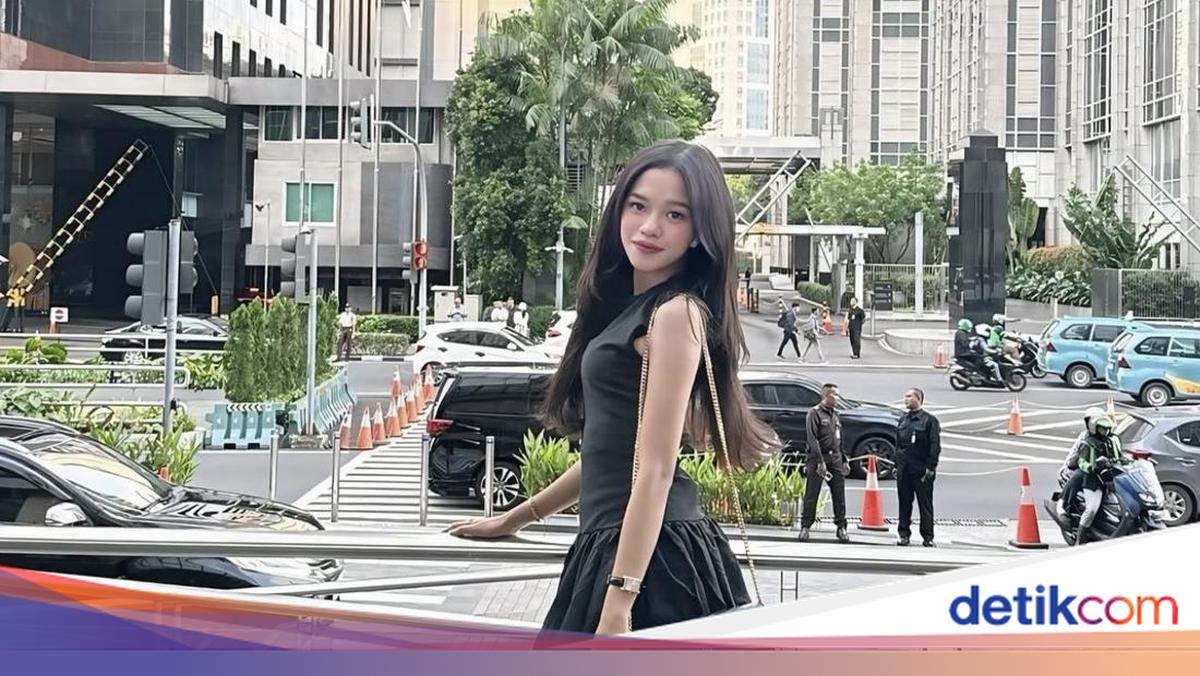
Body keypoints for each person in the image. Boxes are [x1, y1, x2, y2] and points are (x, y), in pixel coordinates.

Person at [445, 140, 777, 635]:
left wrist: (620, 599)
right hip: (619, 549)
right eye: (638, 205)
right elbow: (611, 452)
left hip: (649, 562)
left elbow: (657, 467)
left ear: (700, 233)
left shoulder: (675, 313)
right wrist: (516, 518)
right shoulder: (627, 308)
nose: (649, 226)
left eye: (675, 214)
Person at [798, 383, 850, 543]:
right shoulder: (814, 413)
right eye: (835, 395)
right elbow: (812, 439)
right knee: (812, 494)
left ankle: (841, 527)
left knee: (839, 495)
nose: (837, 398)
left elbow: (839, 438)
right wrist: (820, 461)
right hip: (818, 459)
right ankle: (805, 527)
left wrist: (844, 459)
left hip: (836, 458)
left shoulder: (836, 415)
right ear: (826, 396)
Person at [1070, 414, 1128, 545]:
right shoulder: (1088, 443)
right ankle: (1080, 539)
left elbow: (1120, 457)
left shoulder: (1112, 441)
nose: (1106, 431)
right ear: (1095, 428)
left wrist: (1132, 462)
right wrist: (1092, 466)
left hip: (1112, 480)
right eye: (1103, 428)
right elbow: (1081, 462)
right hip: (1093, 481)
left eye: (1107, 429)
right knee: (1091, 509)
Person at [894, 388, 941, 547]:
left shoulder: (929, 421)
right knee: (904, 503)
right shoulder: (903, 419)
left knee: (925, 504)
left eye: (909, 396)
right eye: (905, 396)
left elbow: (935, 445)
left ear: (918, 399)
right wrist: (896, 464)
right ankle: (903, 534)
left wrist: (931, 467)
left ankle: (928, 536)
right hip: (904, 469)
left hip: (921, 470)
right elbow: (898, 444)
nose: (906, 399)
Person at [1057, 407, 1105, 519]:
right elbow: (1074, 453)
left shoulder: (1108, 435)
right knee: (1079, 475)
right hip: (1085, 467)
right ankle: (1062, 502)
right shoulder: (1085, 436)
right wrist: (1067, 465)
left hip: (1102, 468)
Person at [953, 318, 1001, 384]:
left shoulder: (961, 333)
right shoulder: (961, 333)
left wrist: (972, 340)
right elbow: (965, 343)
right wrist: (972, 342)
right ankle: (981, 375)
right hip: (964, 353)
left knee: (980, 357)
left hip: (964, 353)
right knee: (980, 358)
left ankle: (982, 375)